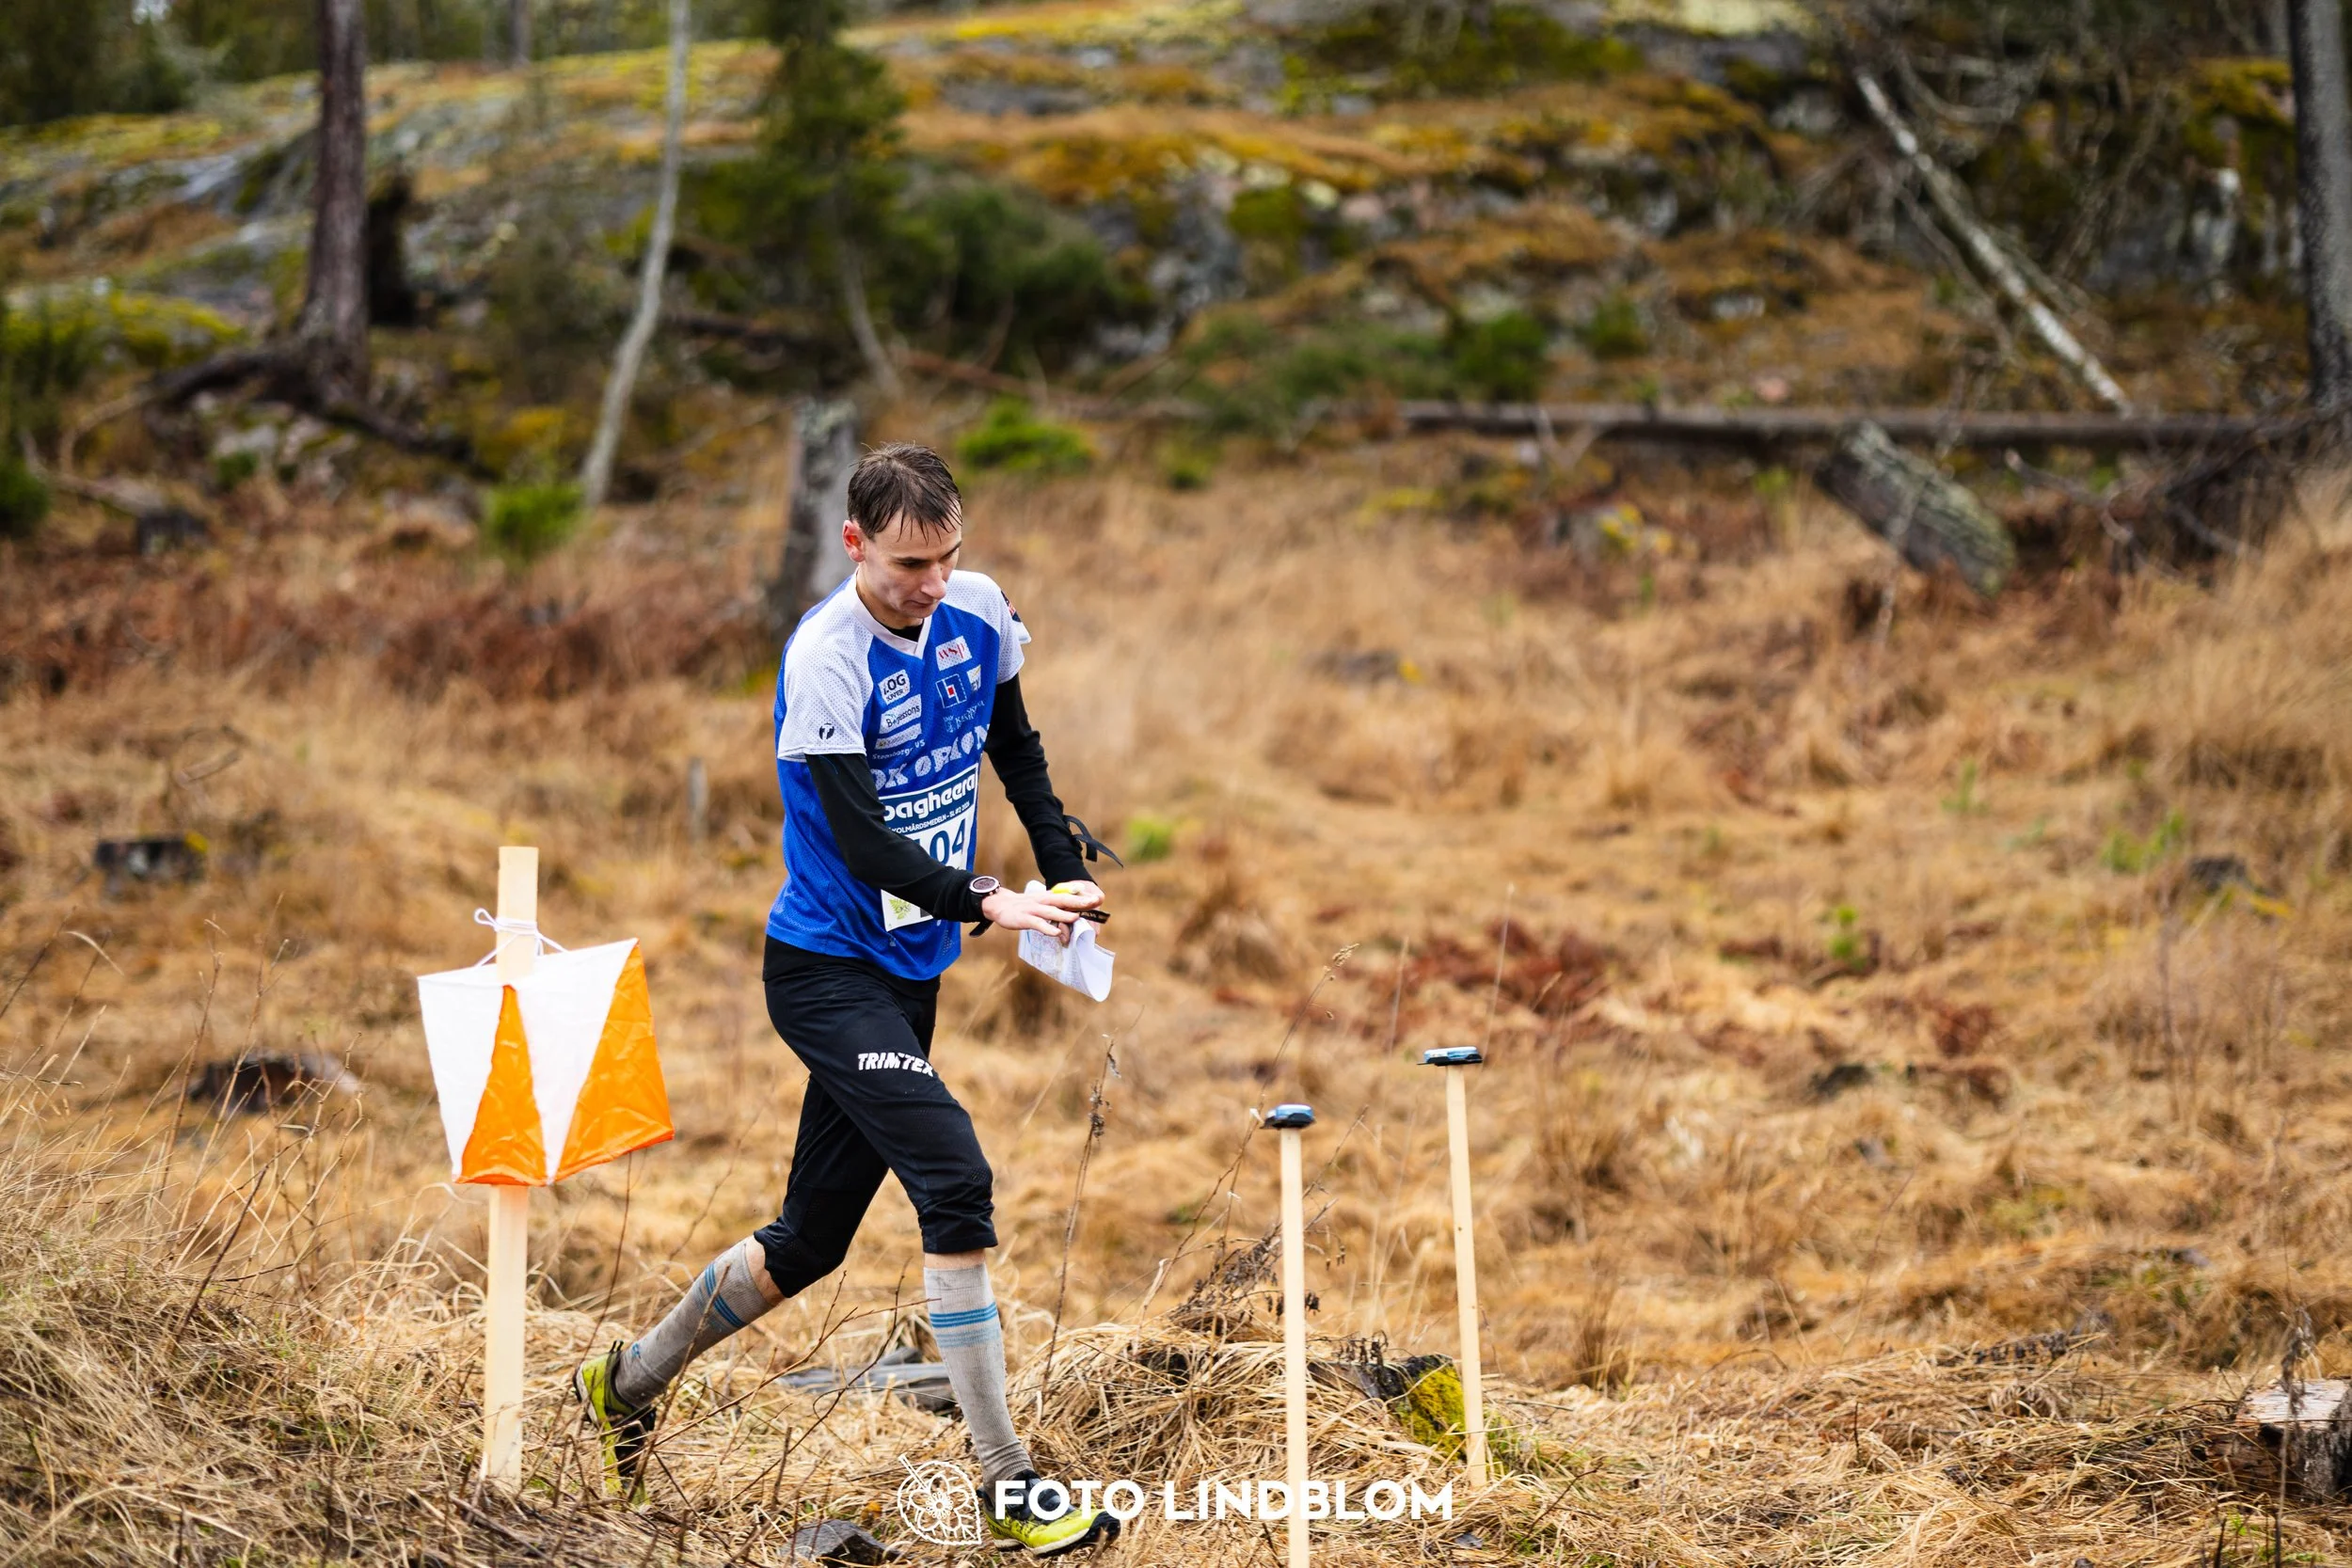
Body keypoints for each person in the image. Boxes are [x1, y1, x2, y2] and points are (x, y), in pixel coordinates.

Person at [574, 443, 1119, 1555]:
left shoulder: (978, 611)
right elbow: (865, 839)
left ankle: (624, 1383)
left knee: (809, 1238)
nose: (932, 581)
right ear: (855, 542)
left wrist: (1060, 863)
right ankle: (1008, 1484)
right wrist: (992, 898)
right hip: (826, 974)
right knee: (956, 1180)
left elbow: (1016, 750)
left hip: (909, 970)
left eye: (949, 553)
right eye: (911, 561)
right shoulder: (825, 655)